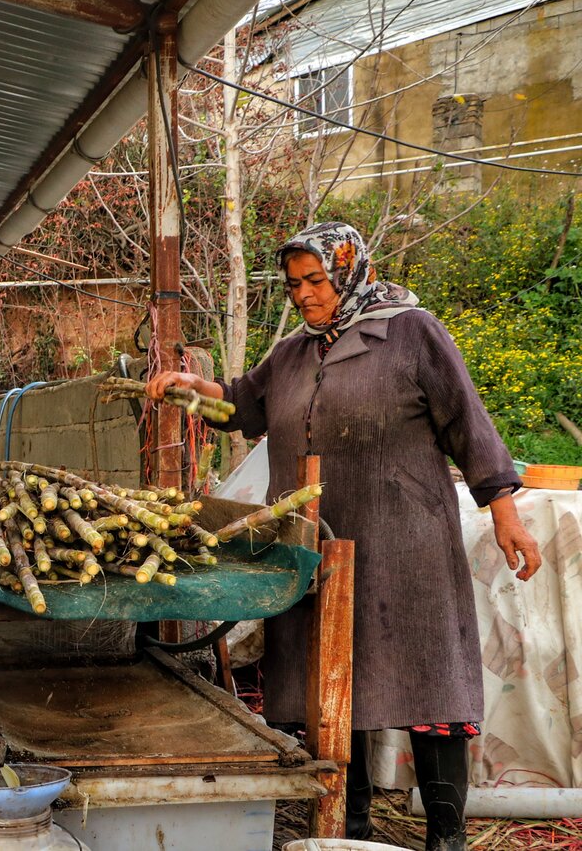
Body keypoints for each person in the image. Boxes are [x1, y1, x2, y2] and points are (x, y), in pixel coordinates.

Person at [146, 222, 542, 851]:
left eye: (316, 280)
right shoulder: (295, 352)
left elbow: (468, 422)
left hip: (405, 542)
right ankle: (346, 831)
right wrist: (194, 395)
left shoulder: (410, 332)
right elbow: (242, 409)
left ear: (350, 268)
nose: (304, 295)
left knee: (428, 676)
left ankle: (446, 838)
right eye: (294, 284)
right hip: (318, 545)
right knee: (333, 682)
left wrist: (504, 509)